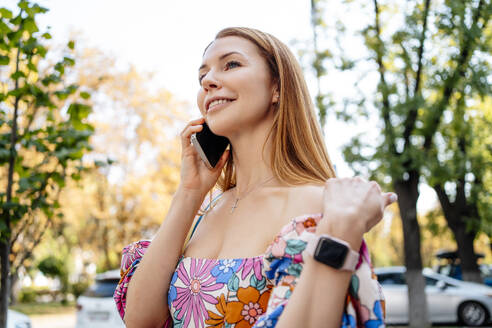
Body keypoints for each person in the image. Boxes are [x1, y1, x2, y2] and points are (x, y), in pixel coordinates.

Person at [114, 27, 394, 328]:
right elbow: (141, 321)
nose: (208, 81)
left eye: (231, 64)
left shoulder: (320, 206)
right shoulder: (202, 215)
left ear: (277, 88)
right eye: (202, 76)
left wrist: (341, 232)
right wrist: (188, 192)